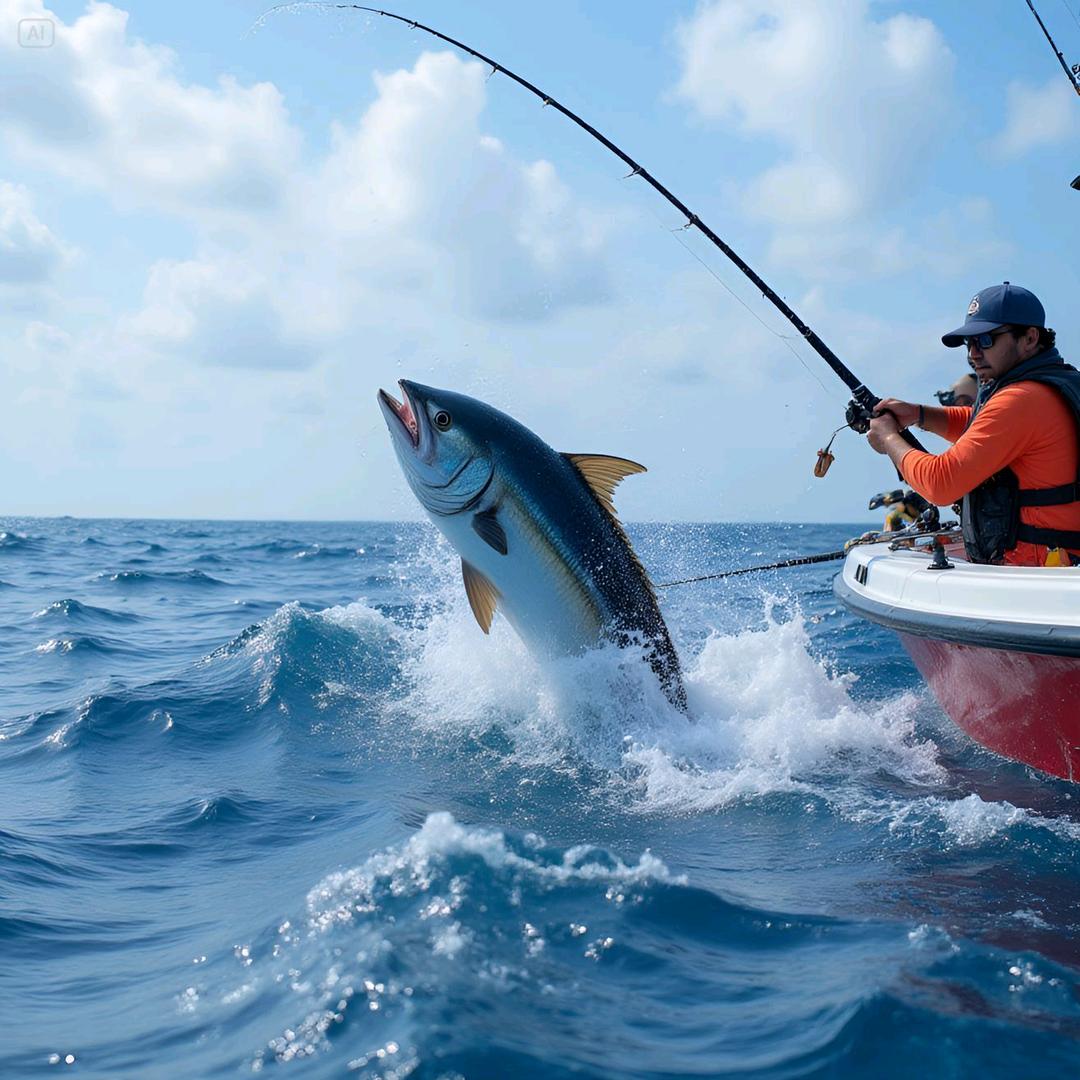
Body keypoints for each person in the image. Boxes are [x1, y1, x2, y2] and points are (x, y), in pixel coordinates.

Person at [865, 283, 1080, 566]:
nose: (973, 353)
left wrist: (889, 439)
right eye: (970, 342)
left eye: (987, 340)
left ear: (1029, 338)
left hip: (1035, 572)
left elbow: (940, 484)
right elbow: (980, 423)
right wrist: (918, 414)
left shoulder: (1020, 400)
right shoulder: (1051, 385)